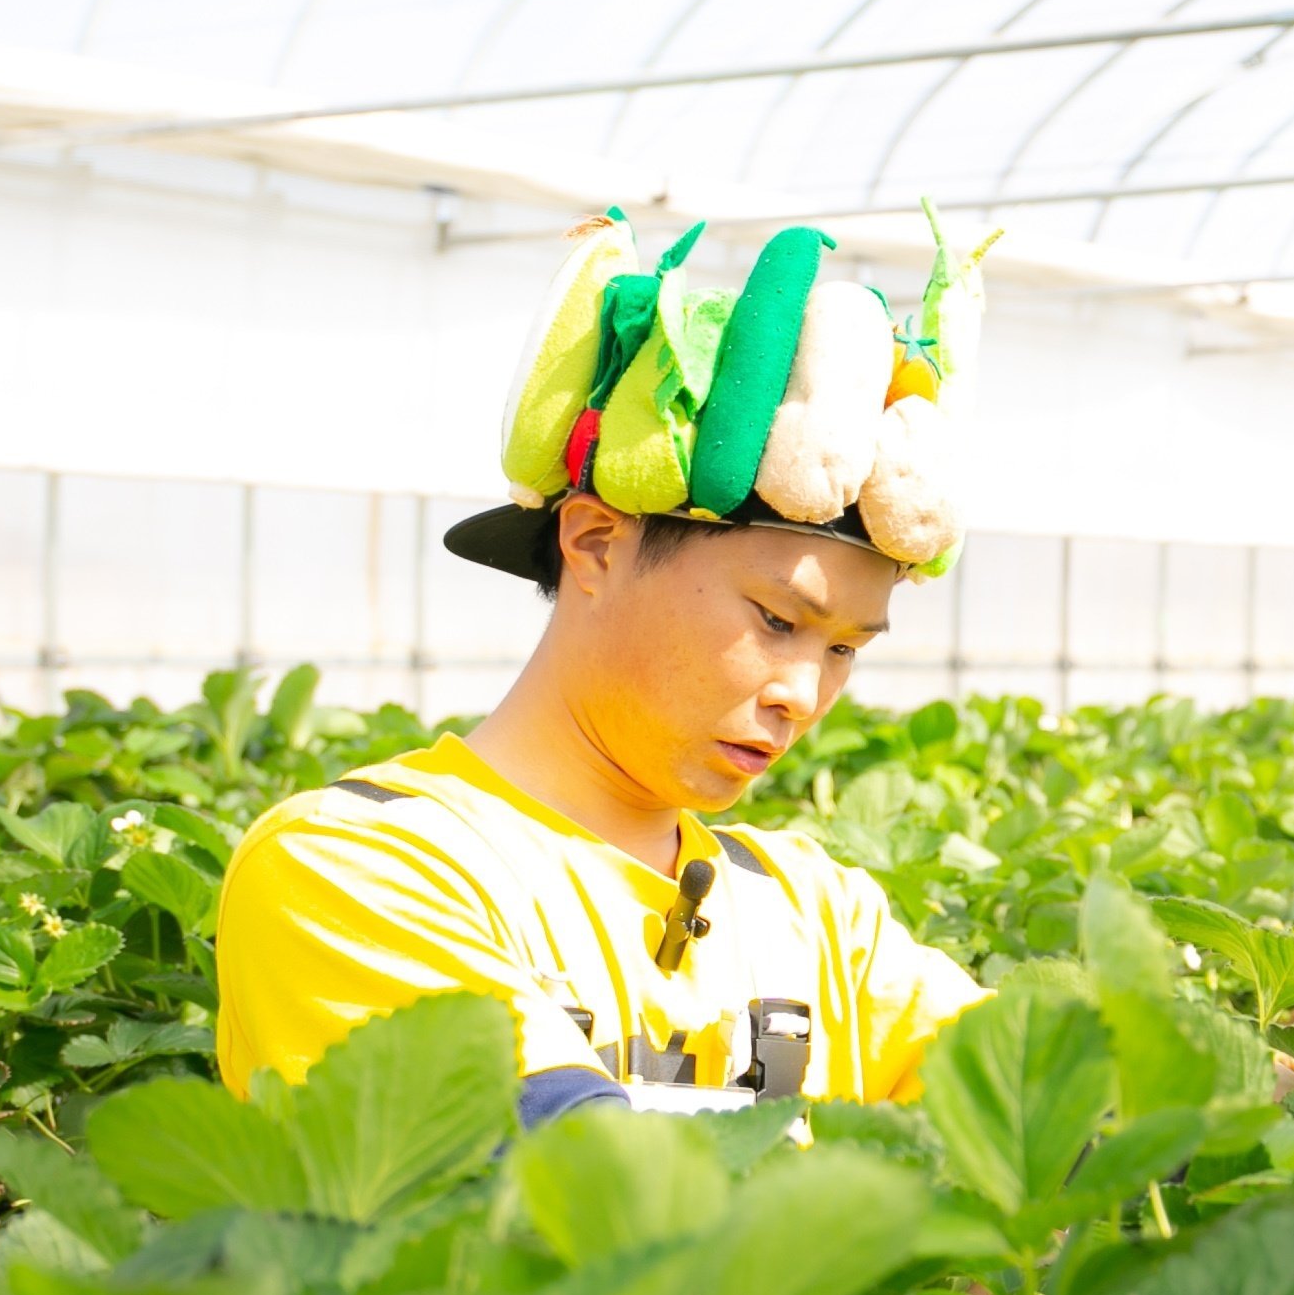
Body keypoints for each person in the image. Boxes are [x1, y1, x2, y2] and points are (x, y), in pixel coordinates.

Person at [217, 209, 994, 1121]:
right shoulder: (356, 869)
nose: (802, 694)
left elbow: (1059, 1114)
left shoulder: (819, 915)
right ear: (592, 542)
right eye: (779, 619)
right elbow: (576, 1184)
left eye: (846, 650)